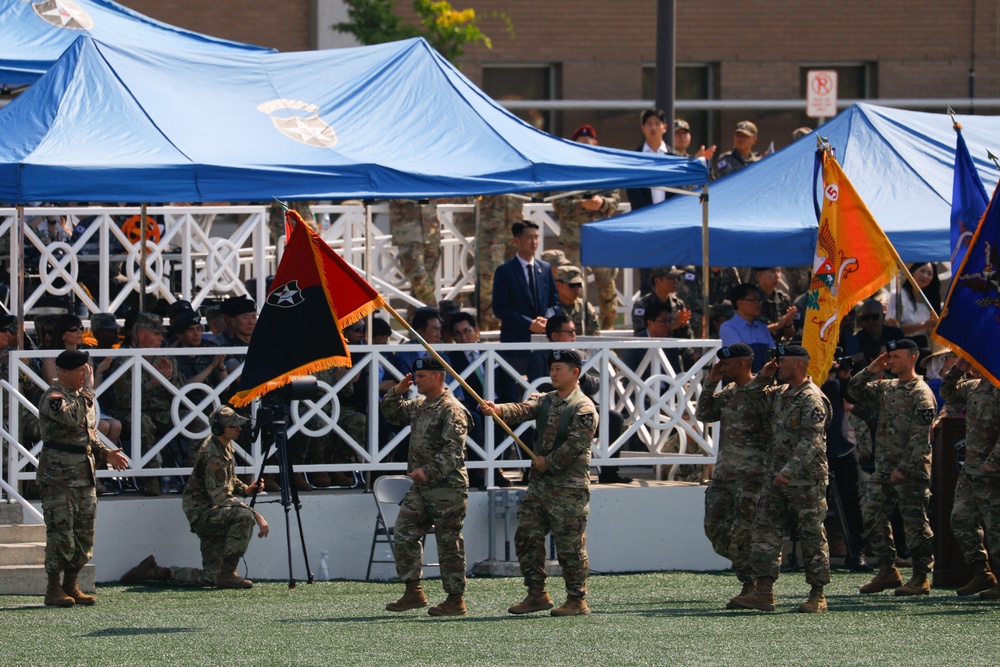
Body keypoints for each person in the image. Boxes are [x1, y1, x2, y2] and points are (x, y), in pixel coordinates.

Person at [482, 350, 598, 617]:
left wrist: (550, 462)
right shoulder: (546, 400)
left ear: (575, 373)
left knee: (570, 545)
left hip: (569, 489)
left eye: (559, 368)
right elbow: (523, 409)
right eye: (552, 368)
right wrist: (497, 409)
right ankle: (536, 593)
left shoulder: (583, 408)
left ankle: (576, 599)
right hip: (540, 487)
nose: (553, 373)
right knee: (527, 535)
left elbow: (576, 444)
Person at [120, 406, 269, 588]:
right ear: (218, 429)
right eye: (234, 426)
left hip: (212, 510)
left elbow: (228, 480)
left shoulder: (223, 445)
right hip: (204, 513)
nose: (239, 429)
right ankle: (228, 573)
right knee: (244, 517)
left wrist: (246, 490)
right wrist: (254, 513)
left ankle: (156, 572)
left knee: (210, 578)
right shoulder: (213, 454)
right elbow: (221, 496)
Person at [731, 345, 832, 613]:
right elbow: (748, 399)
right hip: (776, 477)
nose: (777, 365)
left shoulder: (812, 399)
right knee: (765, 531)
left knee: (811, 534)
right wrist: (763, 377)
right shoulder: (780, 393)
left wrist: (788, 472)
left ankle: (817, 594)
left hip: (805, 479)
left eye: (782, 361)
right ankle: (763, 592)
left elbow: (811, 442)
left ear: (799, 365)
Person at [380, 356, 473, 616]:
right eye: (415, 376)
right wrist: (397, 391)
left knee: (448, 543)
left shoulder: (451, 409)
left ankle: (455, 599)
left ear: (438, 377)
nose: (416, 381)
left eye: (421, 376)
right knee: (404, 531)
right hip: (421, 487)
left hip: (447, 488)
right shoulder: (421, 405)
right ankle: (413, 591)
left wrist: (428, 471)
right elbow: (391, 413)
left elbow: (453, 450)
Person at [37, 349, 129, 606]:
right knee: (60, 533)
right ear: (64, 371)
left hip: (84, 474)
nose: (85, 374)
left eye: (86, 370)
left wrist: (105, 453)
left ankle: (71, 583)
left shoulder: (82, 398)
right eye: (80, 370)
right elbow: (70, 417)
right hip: (59, 476)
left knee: (83, 534)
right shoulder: (54, 396)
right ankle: (53, 587)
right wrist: (89, 391)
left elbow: (88, 434)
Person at [847, 339, 936, 596]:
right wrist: (871, 370)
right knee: (871, 514)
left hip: (910, 470)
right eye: (890, 356)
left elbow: (921, 438)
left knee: (915, 524)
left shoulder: (920, 393)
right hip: (884, 467)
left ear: (912, 358)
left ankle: (920, 577)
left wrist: (904, 468)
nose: (891, 361)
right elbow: (854, 390)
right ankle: (888, 570)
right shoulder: (887, 387)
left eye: (896, 356)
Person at [695, 343, 771, 607]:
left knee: (745, 533)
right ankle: (749, 578)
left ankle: (754, 586)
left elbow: (753, 397)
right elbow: (704, 414)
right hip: (724, 475)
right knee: (714, 527)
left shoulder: (762, 391)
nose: (722, 367)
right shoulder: (728, 392)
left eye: (726, 363)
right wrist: (710, 383)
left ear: (742, 363)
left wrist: (761, 378)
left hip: (751, 476)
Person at [550, 124, 622, 330]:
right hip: (574, 241)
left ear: (596, 145)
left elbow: (615, 200)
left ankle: (608, 330)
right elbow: (558, 204)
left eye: (588, 143)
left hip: (600, 240)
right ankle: (573, 329)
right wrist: (582, 204)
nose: (585, 146)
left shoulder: (606, 171)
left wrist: (602, 203)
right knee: (571, 288)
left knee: (607, 287)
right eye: (580, 143)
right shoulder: (565, 173)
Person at [940, 358, 1000, 599]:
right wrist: (958, 369)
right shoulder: (974, 386)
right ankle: (981, 571)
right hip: (971, 468)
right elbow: (947, 393)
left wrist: (994, 461)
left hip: (992, 470)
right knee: (960, 518)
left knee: (996, 527)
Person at [492, 220, 557, 372]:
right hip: (517, 344)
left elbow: (555, 302)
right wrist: (528, 323)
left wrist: (546, 319)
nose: (534, 242)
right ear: (516, 240)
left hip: (544, 344)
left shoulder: (545, 268)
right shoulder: (505, 271)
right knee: (518, 391)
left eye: (536, 237)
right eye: (529, 237)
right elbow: (500, 308)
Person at [476, 195, 521, 330]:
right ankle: (487, 331)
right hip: (491, 235)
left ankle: (511, 326)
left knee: (516, 284)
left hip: (515, 231)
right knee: (488, 284)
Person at [719, 283, 787, 372]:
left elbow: (773, 353)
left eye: (759, 300)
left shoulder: (762, 328)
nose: (758, 304)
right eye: (754, 300)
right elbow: (741, 356)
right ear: (739, 303)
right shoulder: (728, 328)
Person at [389, 199, 441, 306]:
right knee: (420, 282)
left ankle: (415, 321)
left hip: (431, 234)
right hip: (409, 236)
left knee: (428, 286)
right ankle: (435, 316)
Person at [885, 262, 941, 348]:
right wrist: (923, 325)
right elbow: (893, 328)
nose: (925, 276)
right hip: (903, 349)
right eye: (922, 271)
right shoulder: (897, 295)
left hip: (924, 348)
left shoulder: (930, 301)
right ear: (912, 272)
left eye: (930, 274)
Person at [546, 265, 601, 336]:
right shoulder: (548, 307)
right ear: (558, 285)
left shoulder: (585, 307)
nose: (576, 288)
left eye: (579, 284)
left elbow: (594, 334)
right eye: (572, 285)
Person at [845, 299, 905, 363]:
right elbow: (849, 361)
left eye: (875, 317)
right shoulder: (856, 340)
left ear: (883, 316)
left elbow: (905, 355)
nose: (870, 321)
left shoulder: (896, 333)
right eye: (865, 318)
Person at [754, 267, 796, 343]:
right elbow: (748, 332)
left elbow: (789, 334)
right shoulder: (751, 300)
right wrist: (777, 325)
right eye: (772, 272)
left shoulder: (783, 299)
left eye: (778, 271)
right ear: (760, 275)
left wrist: (788, 323)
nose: (777, 276)